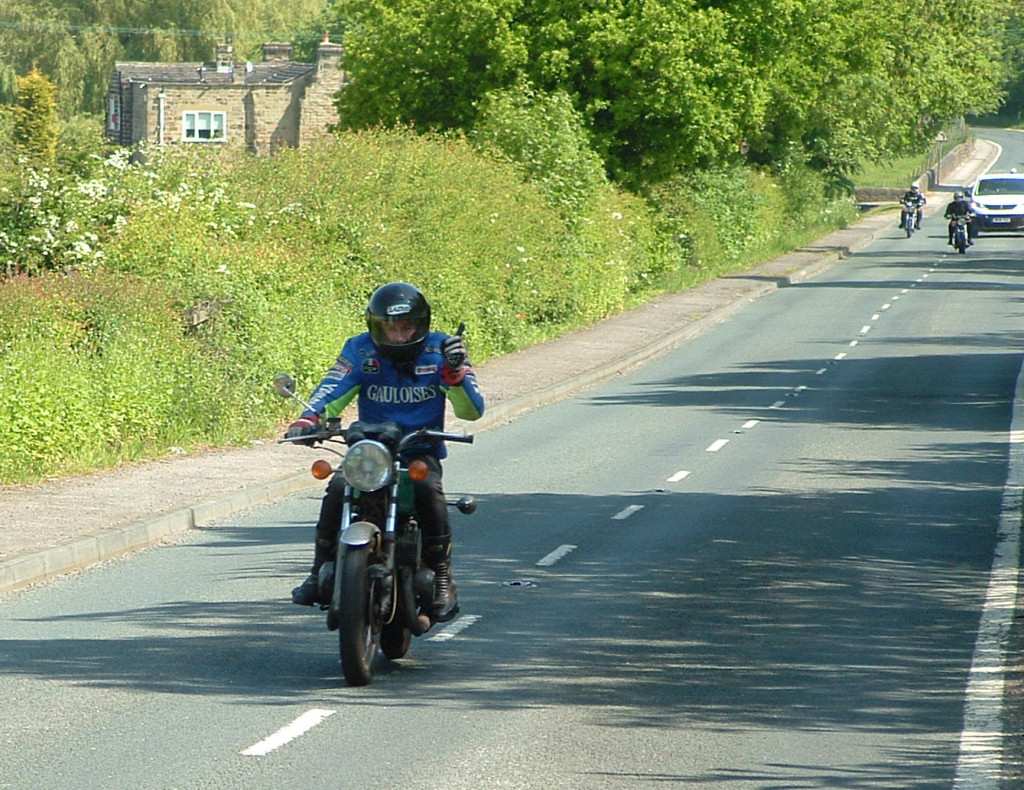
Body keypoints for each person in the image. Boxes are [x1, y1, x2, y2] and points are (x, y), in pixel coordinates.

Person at [286, 282, 485, 622]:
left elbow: (472, 411)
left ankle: (442, 578)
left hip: (417, 452)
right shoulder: (359, 350)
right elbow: (333, 388)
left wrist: (455, 377)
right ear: (375, 326)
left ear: (421, 324)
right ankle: (318, 569)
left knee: (428, 488)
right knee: (336, 487)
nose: (397, 336)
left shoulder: (442, 352)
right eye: (389, 328)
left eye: (406, 327)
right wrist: (309, 418)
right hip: (370, 453)